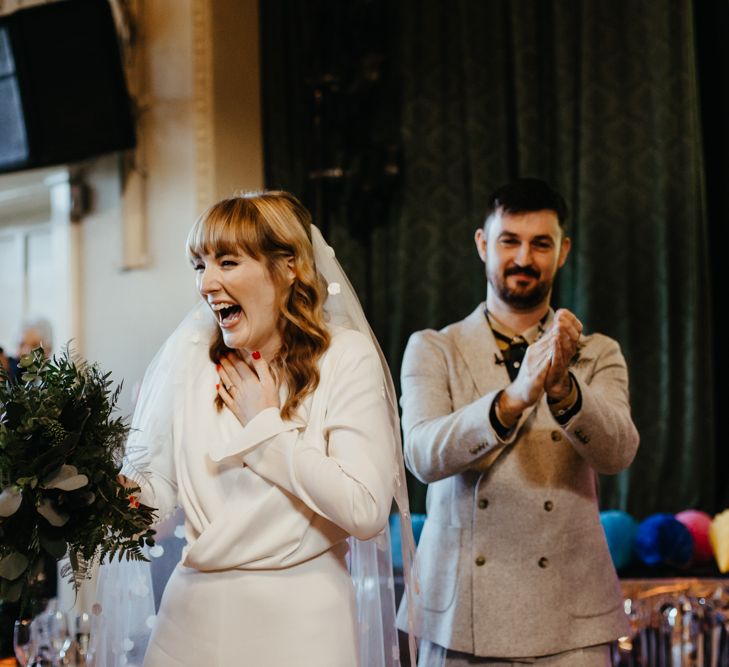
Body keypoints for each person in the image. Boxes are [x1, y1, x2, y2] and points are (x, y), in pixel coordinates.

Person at [105, 191, 416, 666]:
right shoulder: (191, 358)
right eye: (198, 265)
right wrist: (106, 494)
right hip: (189, 624)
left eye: (227, 262)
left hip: (301, 627)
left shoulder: (344, 358)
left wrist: (266, 428)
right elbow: (158, 494)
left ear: (288, 266)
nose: (207, 284)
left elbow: (366, 509)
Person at [396, 178, 640, 666]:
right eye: (510, 240)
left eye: (540, 244)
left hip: (572, 621)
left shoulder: (597, 353)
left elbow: (618, 453)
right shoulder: (433, 348)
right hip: (461, 618)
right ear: (483, 244)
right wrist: (513, 398)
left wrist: (564, 390)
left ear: (563, 251)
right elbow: (421, 456)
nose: (524, 258)